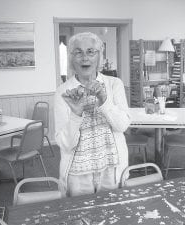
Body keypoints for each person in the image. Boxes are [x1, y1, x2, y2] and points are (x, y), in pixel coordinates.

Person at [54, 32, 131, 197]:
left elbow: (122, 126)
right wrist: (75, 114)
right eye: (78, 52)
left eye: (90, 51)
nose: (84, 58)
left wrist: (105, 101)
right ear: (71, 59)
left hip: (111, 166)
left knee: (113, 213)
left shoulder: (114, 84)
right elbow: (65, 144)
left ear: (99, 57)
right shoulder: (62, 92)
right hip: (78, 173)